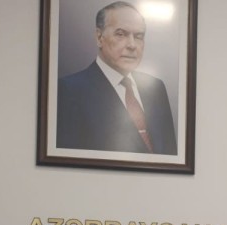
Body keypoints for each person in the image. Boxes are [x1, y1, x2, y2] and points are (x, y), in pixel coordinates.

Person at [56, 1, 177, 155]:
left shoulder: (156, 87)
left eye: (138, 36)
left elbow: (170, 154)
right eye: (121, 34)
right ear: (99, 37)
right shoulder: (69, 91)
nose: (132, 45)